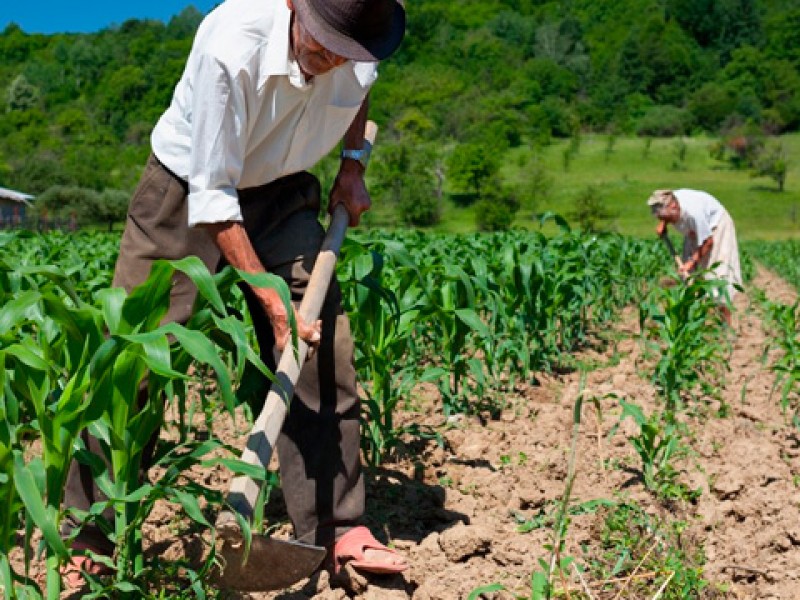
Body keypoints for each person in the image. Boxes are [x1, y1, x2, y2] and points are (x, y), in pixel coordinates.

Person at [61, 0, 408, 587]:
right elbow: (214, 197)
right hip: (189, 187)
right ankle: (88, 533)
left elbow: (357, 92)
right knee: (133, 359)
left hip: (283, 183)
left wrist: (351, 164)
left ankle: (336, 526)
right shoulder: (232, 43)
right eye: (320, 44)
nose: (327, 62)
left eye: (342, 54)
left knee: (323, 345)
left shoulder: (360, 41)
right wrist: (272, 303)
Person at [647, 188, 743, 324]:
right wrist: (663, 223)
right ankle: (695, 322)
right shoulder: (670, 201)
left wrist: (692, 261)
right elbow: (665, 211)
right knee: (688, 277)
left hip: (716, 228)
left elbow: (708, 241)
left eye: (663, 216)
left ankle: (725, 326)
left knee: (717, 277)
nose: (660, 218)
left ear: (673, 206)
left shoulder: (693, 213)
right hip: (693, 230)